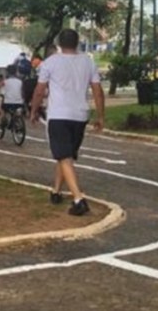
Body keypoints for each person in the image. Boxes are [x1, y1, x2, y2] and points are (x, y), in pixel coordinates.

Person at [29, 28, 105, 216]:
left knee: (63, 156)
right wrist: (101, 116)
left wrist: (33, 110)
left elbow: (39, 91)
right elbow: (97, 90)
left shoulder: (50, 62)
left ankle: (78, 199)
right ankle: (56, 191)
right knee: (66, 156)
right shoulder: (88, 61)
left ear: (59, 44)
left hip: (59, 115)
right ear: (78, 42)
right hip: (80, 115)